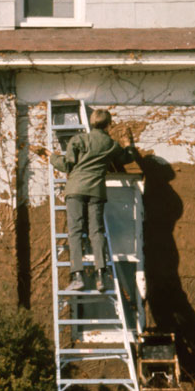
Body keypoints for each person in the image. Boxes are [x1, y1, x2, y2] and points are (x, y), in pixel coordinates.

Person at [51, 108, 137, 292]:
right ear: (108, 124)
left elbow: (66, 165)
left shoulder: (79, 140)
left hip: (75, 189)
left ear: (91, 122)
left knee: (75, 232)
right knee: (96, 232)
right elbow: (128, 158)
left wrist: (49, 156)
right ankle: (100, 277)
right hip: (96, 191)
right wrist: (130, 144)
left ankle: (78, 276)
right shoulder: (111, 145)